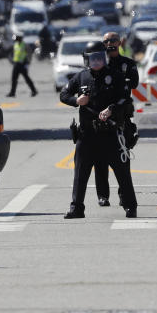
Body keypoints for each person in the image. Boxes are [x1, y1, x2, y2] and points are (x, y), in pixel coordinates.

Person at [59, 40, 137, 218]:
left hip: (110, 133)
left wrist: (111, 109)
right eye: (93, 59)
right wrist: (76, 101)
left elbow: (125, 99)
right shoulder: (81, 77)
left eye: (100, 58)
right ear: (86, 60)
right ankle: (76, 207)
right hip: (87, 135)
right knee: (80, 172)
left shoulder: (115, 76)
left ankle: (130, 206)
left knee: (122, 172)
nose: (97, 62)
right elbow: (63, 94)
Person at [94, 31, 139, 207]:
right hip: (102, 116)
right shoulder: (98, 64)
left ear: (120, 43)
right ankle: (103, 195)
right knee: (100, 160)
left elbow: (133, 83)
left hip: (121, 116)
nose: (110, 43)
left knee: (123, 157)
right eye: (106, 41)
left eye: (113, 40)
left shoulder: (128, 63)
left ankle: (124, 194)